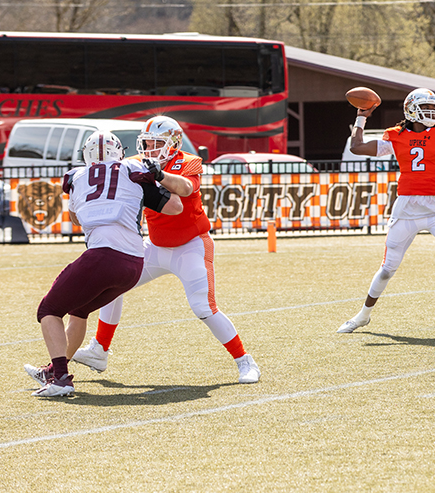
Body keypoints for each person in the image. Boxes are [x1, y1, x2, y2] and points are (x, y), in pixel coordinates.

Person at [72, 115, 262, 384]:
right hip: (155, 247)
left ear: (174, 143)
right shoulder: (136, 164)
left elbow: (185, 188)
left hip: (191, 246)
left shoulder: (188, 161)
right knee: (113, 282)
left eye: (156, 143)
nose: (150, 149)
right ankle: (99, 350)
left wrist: (159, 175)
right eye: (146, 143)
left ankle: (244, 360)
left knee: (203, 307)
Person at [23, 131, 182, 397]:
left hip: (102, 256)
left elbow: (76, 218)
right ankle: (53, 370)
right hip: (133, 265)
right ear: (119, 152)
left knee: (48, 310)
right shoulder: (134, 170)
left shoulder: (76, 177)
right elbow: (175, 207)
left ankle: (60, 378)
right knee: (79, 310)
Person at [337, 88, 435, 336]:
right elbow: (357, 147)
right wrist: (361, 117)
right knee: (387, 269)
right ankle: (363, 316)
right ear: (411, 110)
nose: (433, 113)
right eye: (427, 108)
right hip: (407, 209)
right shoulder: (396, 135)